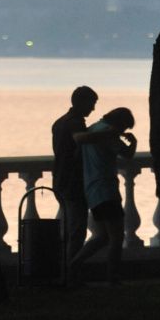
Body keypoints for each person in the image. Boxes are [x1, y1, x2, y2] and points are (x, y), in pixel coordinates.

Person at [68, 107, 138, 286]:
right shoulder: (108, 133)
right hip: (106, 188)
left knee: (102, 236)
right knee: (116, 237)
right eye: (124, 128)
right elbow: (127, 154)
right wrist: (133, 142)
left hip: (91, 188)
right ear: (120, 123)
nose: (123, 132)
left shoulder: (93, 128)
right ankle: (112, 276)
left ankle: (73, 265)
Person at [50, 86, 99, 282]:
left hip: (60, 179)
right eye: (92, 104)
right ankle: (71, 274)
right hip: (74, 183)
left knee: (69, 229)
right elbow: (81, 144)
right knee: (76, 231)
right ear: (81, 102)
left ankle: (65, 270)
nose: (93, 108)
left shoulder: (59, 122)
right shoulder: (75, 124)